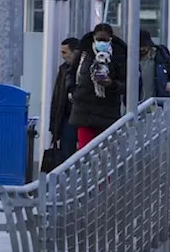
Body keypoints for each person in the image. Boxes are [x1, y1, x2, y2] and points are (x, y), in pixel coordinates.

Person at [70, 23, 128, 149]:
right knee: (85, 152)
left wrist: (111, 84)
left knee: (105, 153)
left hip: (108, 111)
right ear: (93, 38)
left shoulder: (119, 56)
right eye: (99, 39)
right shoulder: (84, 52)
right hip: (84, 111)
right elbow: (72, 72)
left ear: (111, 39)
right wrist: (74, 92)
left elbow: (126, 83)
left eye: (105, 40)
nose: (102, 42)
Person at [45, 37, 80, 171]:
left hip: (78, 117)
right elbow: (57, 99)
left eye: (65, 52)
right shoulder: (64, 70)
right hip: (66, 118)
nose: (62, 56)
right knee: (66, 153)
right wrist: (54, 126)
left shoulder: (82, 70)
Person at [137, 30, 170, 102]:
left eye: (144, 46)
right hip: (138, 105)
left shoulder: (161, 58)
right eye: (140, 47)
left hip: (158, 105)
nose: (141, 49)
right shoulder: (132, 61)